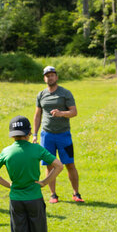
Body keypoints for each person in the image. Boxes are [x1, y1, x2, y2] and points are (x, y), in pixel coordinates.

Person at [33, 65, 82, 203]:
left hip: (64, 135)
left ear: (56, 77)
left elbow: (74, 112)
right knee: (49, 164)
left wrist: (61, 113)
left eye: (52, 75)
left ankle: (76, 193)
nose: (50, 77)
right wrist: (35, 134)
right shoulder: (41, 95)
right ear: (44, 78)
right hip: (47, 135)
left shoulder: (65, 93)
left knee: (70, 164)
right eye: (47, 75)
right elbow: (37, 115)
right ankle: (53, 194)